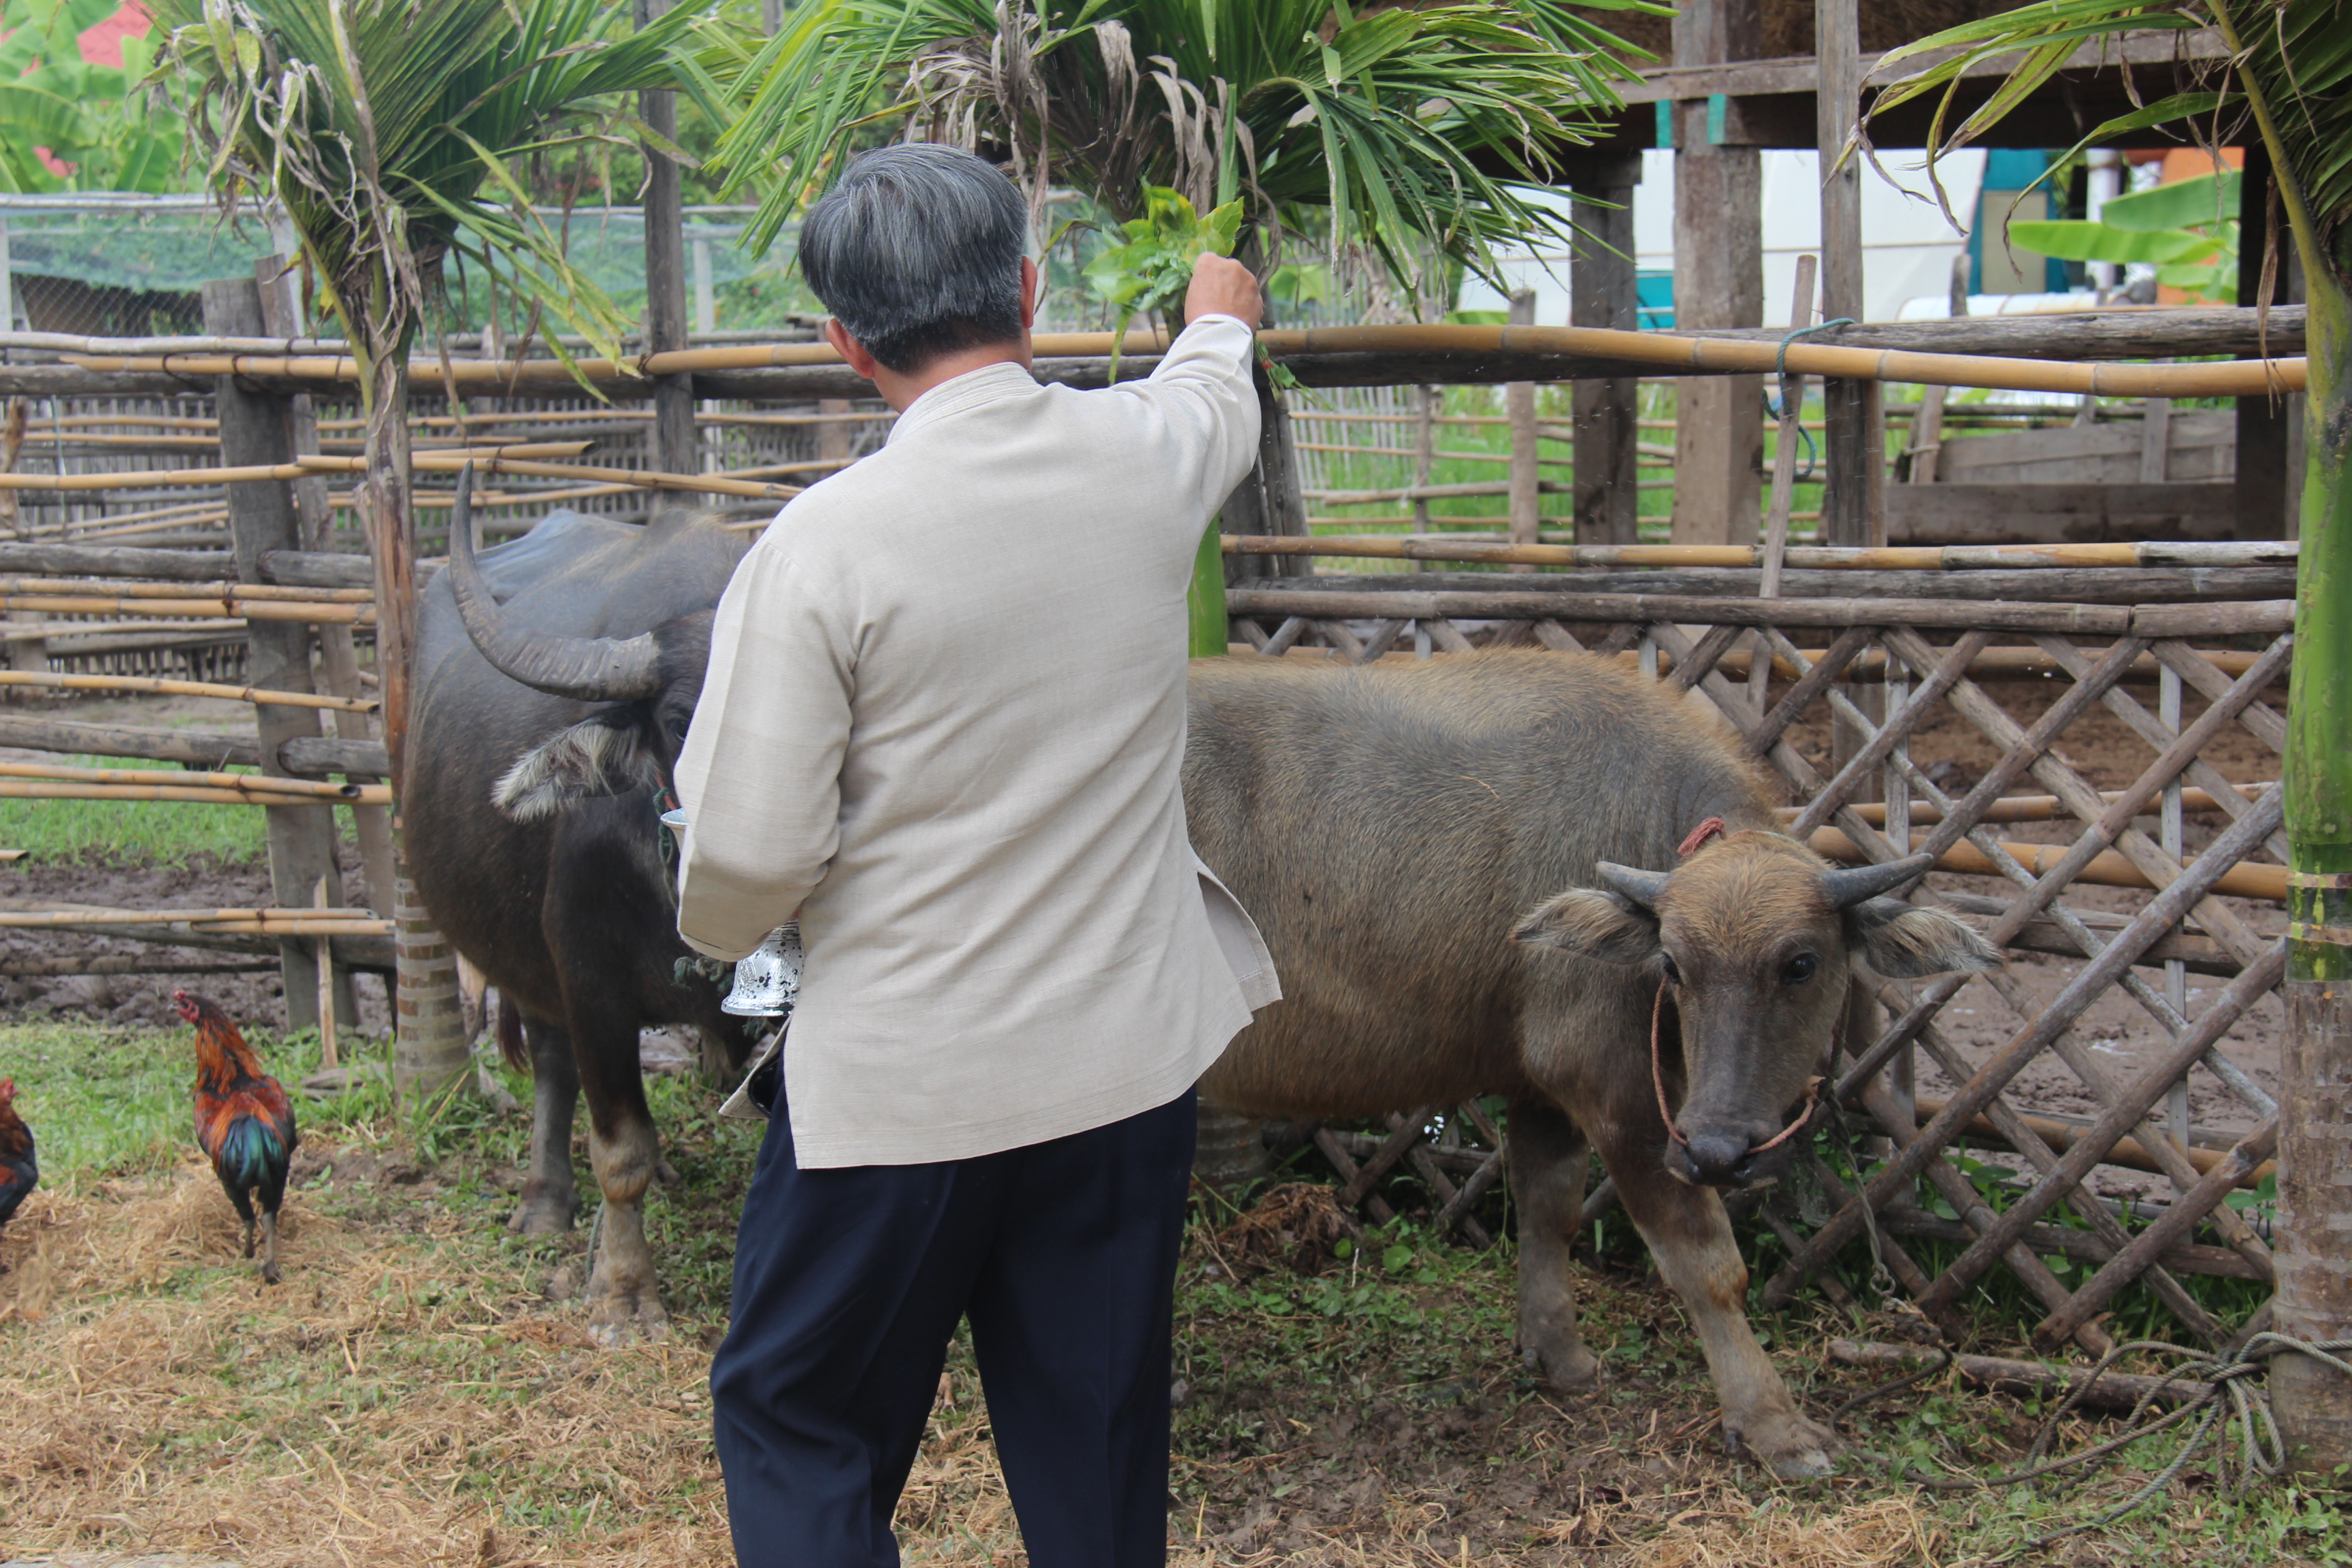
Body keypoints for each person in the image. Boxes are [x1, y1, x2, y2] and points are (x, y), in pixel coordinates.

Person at [672, 142, 1280, 1568]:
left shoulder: (823, 549)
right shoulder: (1147, 461)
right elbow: (1215, 394)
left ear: (844, 342)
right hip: (1123, 1069)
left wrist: (727, 928)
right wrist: (1218, 311)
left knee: (797, 1415)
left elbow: (749, 856)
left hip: (903, 1094)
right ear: (1028, 285)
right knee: (1097, 1445)